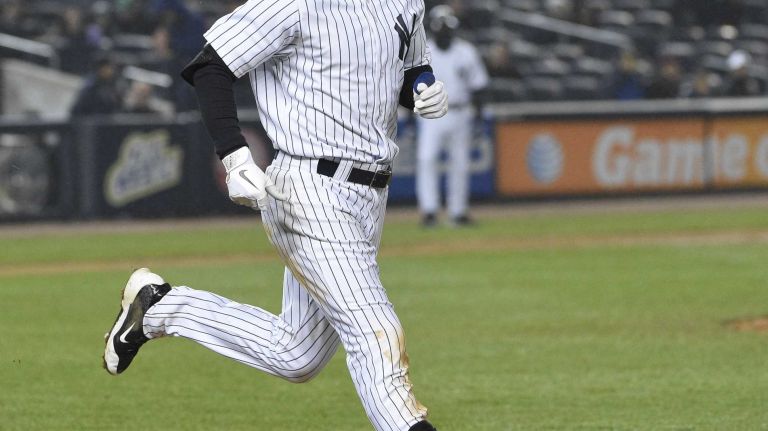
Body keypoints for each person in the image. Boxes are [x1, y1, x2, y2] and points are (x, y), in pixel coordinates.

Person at [102, 1, 447, 431]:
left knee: (296, 353)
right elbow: (211, 66)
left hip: (370, 195)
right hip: (308, 186)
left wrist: (422, 86)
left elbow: (403, 68)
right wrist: (233, 153)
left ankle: (160, 307)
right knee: (374, 331)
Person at [415, 6, 488, 227]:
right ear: (434, 29)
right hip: (430, 113)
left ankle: (458, 211)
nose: (445, 32)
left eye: (448, 28)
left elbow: (479, 86)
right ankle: (429, 210)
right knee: (427, 159)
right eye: (441, 28)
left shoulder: (466, 52)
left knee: (460, 163)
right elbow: (411, 85)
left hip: (459, 111)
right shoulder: (423, 52)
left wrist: (478, 113)